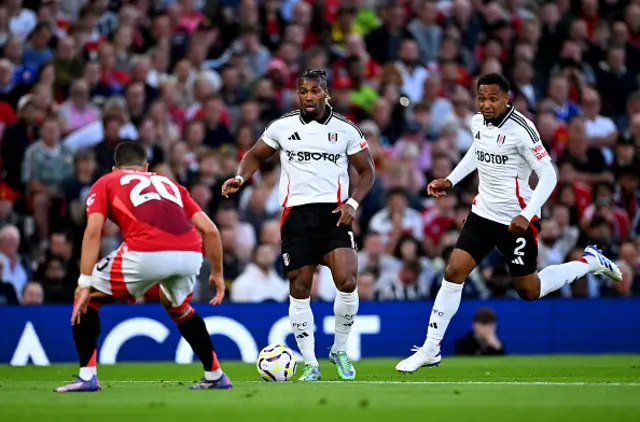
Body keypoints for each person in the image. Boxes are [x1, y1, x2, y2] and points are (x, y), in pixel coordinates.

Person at [395, 73, 622, 373]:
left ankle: (589, 262)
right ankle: (430, 347)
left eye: (492, 98)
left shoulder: (523, 131)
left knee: (529, 291)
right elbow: (477, 151)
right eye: (481, 98)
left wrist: (526, 214)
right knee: (453, 271)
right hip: (483, 212)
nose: (486, 104)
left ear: (506, 98)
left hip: (516, 220)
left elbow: (549, 175)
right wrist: (450, 179)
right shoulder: (477, 123)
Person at [221, 69, 376, 381]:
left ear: (326, 93)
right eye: (303, 91)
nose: (308, 97)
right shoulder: (282, 126)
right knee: (300, 288)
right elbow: (254, 154)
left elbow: (367, 171)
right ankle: (311, 364)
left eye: (315, 91)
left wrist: (353, 203)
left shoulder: (345, 130)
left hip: (335, 214)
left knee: (347, 280)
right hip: (296, 216)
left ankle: (340, 350)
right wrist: (241, 177)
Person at [55, 142, 230, 392]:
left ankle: (87, 377)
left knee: (88, 297)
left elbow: (93, 231)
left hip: (148, 250)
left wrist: (84, 281)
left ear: (115, 168)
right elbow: (210, 230)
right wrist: (217, 273)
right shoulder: (170, 184)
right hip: (191, 251)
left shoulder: (107, 181)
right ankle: (215, 375)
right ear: (146, 167)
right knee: (178, 307)